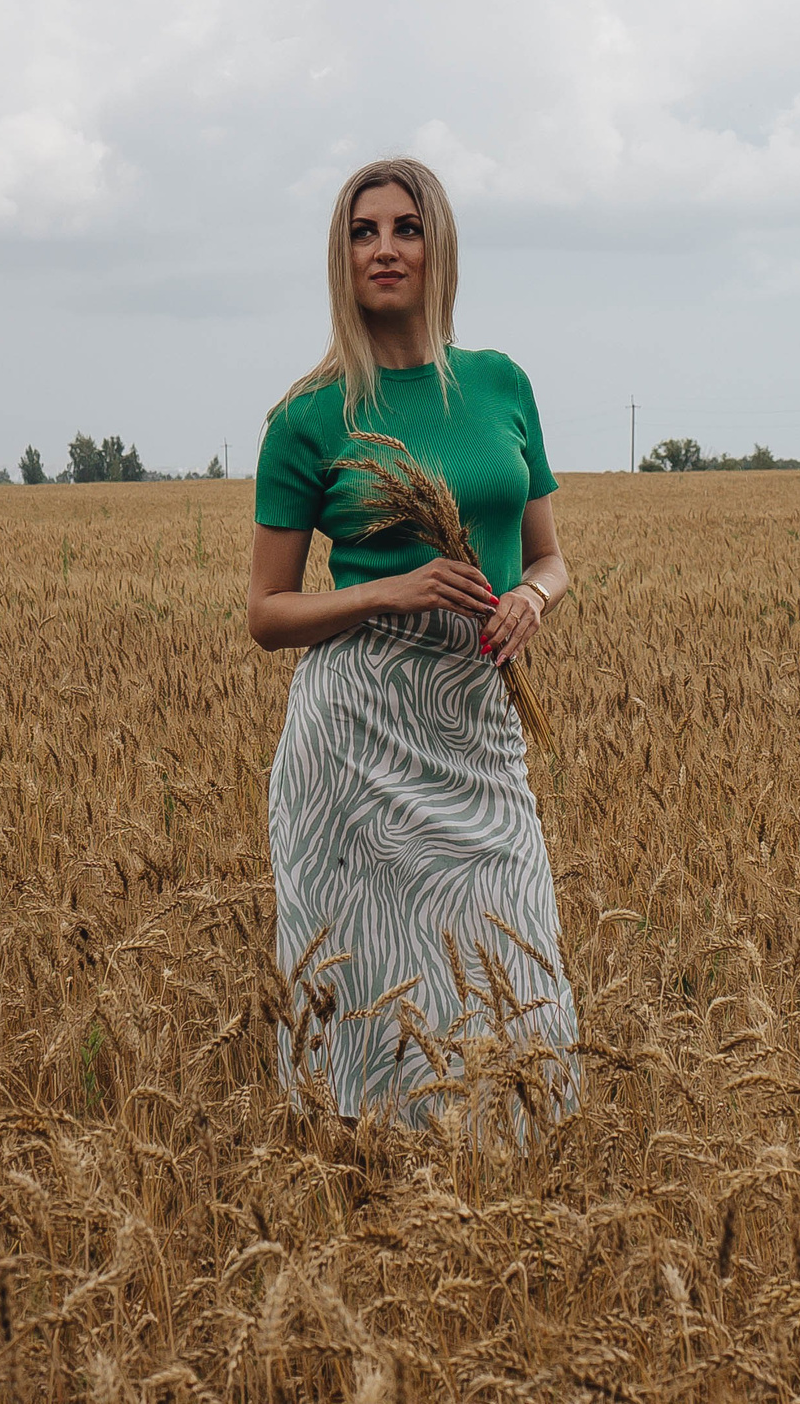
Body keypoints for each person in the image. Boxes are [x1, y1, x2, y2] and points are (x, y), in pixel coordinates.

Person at [247, 157, 579, 1126]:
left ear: (438, 247)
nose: (384, 248)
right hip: (356, 739)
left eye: (405, 227)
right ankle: (376, 1200)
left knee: (521, 978)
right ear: (340, 258)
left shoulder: (501, 384)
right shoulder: (309, 416)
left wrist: (530, 598)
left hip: (477, 722)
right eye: (362, 231)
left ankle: (507, 1205)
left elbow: (554, 559)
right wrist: (387, 588)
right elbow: (266, 612)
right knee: (368, 989)